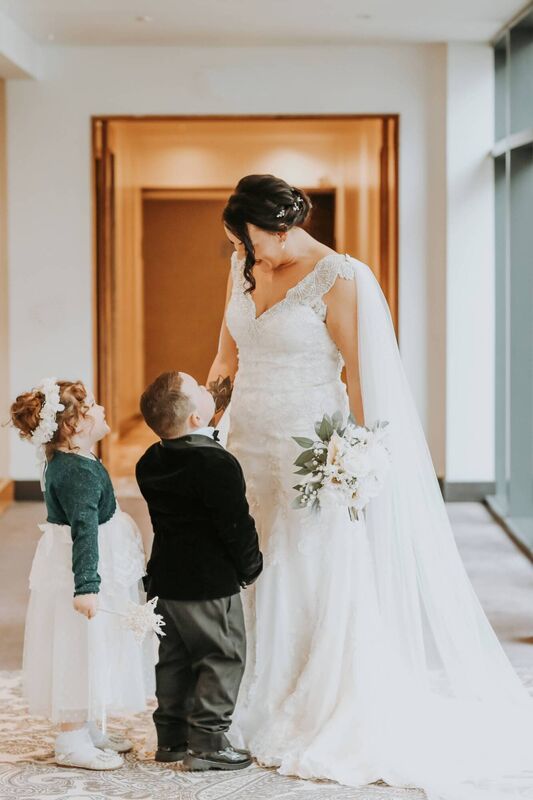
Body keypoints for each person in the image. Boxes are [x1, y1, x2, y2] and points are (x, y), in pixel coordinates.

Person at [206, 174, 533, 799]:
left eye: (251, 241)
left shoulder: (342, 277)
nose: (248, 255)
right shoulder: (243, 265)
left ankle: (305, 704)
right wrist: (202, 427)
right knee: (245, 567)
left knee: (305, 571)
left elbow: (362, 379)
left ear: (278, 226)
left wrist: (354, 455)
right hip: (245, 443)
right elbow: (226, 359)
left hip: (311, 451)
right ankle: (237, 699)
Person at [10, 378, 153, 770]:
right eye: (91, 409)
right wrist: (87, 586)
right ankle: (71, 739)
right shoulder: (76, 471)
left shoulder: (73, 457)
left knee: (94, 645)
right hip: (85, 567)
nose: (102, 410)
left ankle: (85, 724)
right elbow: (84, 529)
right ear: (72, 427)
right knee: (77, 646)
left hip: (89, 558)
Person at [135, 371, 263, 771]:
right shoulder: (216, 464)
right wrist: (250, 564)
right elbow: (235, 524)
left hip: (166, 582)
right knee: (221, 655)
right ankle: (207, 742)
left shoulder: (149, 461)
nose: (209, 390)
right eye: (200, 390)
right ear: (194, 418)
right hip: (209, 585)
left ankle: (171, 737)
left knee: (173, 658)